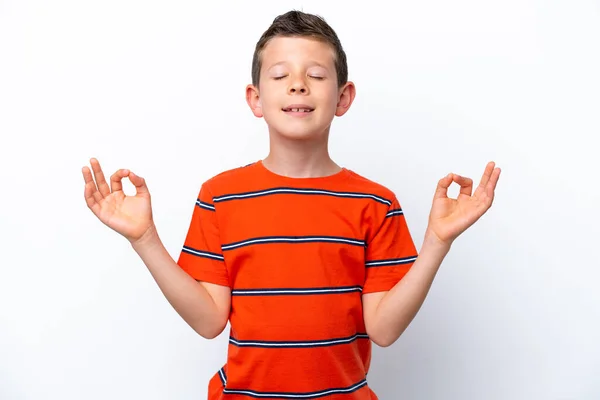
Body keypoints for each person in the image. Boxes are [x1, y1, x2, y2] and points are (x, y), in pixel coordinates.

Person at [82, 10, 500, 400]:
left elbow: (384, 330)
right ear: (255, 99)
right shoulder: (220, 196)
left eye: (316, 75)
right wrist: (145, 239)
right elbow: (208, 320)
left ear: (343, 97)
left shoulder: (375, 203)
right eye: (280, 75)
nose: (298, 84)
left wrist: (436, 243)